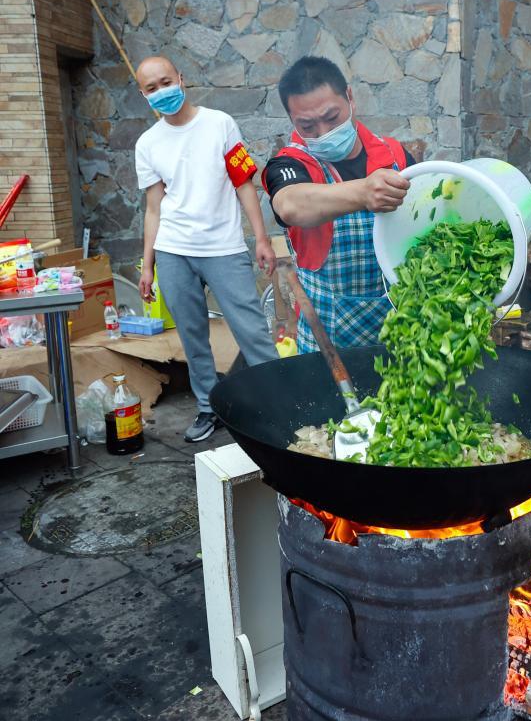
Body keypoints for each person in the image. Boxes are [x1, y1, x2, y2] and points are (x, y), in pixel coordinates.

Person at [134, 55, 280, 443]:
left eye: (166, 82)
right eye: (152, 88)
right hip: (173, 251)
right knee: (192, 336)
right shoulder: (147, 144)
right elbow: (153, 208)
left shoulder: (220, 124)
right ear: (144, 95)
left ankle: (279, 404)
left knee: (251, 331)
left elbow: (244, 183)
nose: (162, 91)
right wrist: (148, 265)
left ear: (181, 78)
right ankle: (207, 407)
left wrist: (261, 239)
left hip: (223, 248)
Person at [262, 56, 414, 353]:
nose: (323, 133)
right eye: (307, 125)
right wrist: (364, 193)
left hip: (402, 334)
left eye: (332, 117)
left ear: (350, 98)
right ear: (293, 121)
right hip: (327, 345)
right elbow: (290, 204)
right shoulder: (289, 164)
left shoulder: (395, 155)